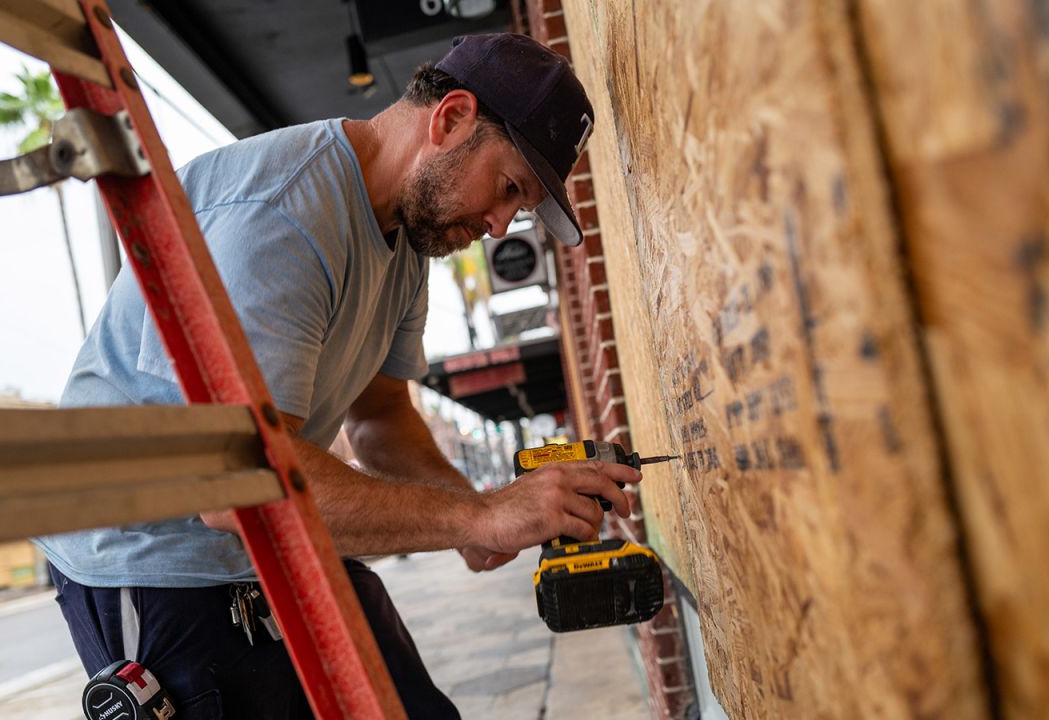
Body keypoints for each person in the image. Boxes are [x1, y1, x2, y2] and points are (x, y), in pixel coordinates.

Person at [34, 33, 639, 719]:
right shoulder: (280, 219)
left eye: (519, 207)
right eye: (507, 188)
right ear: (451, 119)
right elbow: (233, 487)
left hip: (273, 535)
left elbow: (380, 416)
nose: (501, 225)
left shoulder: (408, 235)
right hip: (156, 565)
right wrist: (482, 515)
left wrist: (473, 516)